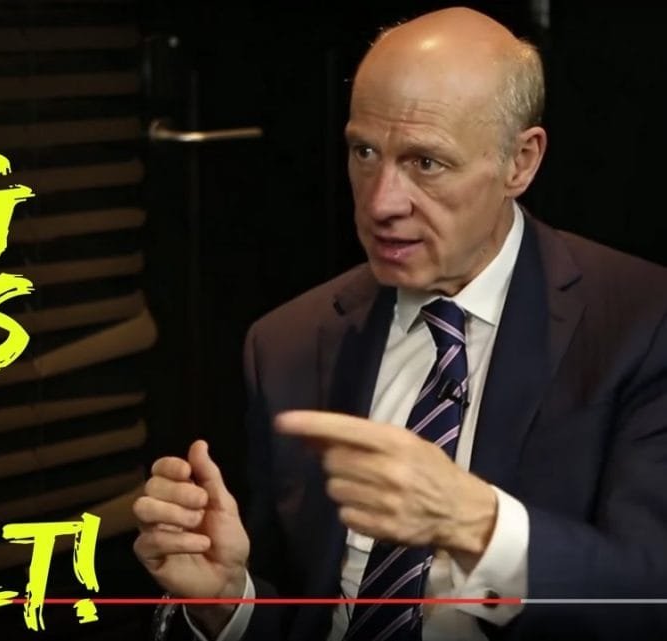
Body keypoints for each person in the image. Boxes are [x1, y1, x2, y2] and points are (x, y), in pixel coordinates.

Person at [132, 6, 667, 641]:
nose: (381, 202)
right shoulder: (287, 344)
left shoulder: (640, 322)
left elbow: (649, 598)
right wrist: (229, 601)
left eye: (426, 163)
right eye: (364, 152)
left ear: (520, 162)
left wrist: (477, 525)